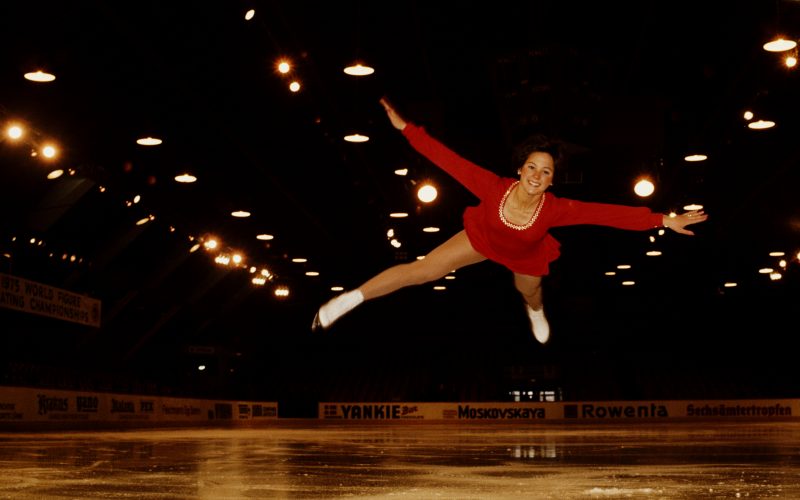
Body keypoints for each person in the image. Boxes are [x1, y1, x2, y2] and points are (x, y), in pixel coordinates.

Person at [311, 97, 708, 343]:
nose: (538, 175)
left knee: (531, 295)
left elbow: (607, 214)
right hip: (481, 238)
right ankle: (351, 298)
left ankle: (535, 312)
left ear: (552, 180)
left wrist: (662, 221)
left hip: (525, 255)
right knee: (422, 270)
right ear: (520, 169)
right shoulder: (492, 186)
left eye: (547, 171)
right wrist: (407, 130)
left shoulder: (556, 208)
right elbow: (447, 159)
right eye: (533, 167)